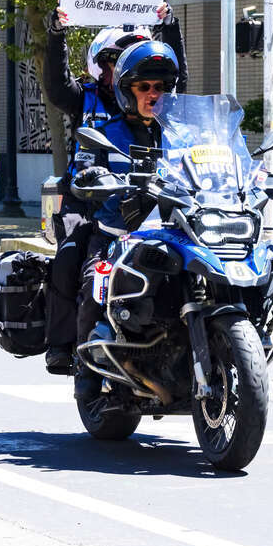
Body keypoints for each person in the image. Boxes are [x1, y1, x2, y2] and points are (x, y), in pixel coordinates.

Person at [43, 2, 187, 374]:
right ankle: (66, 345)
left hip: (153, 202)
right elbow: (56, 86)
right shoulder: (85, 97)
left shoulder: (164, 113)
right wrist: (56, 32)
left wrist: (169, 25)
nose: (119, 65)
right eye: (113, 60)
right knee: (70, 257)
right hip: (88, 197)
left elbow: (178, 82)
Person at [73, 39, 179, 398]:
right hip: (117, 238)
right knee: (94, 287)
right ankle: (85, 377)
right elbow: (81, 174)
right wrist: (96, 181)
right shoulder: (104, 133)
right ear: (126, 91)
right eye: (144, 86)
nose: (154, 94)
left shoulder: (179, 135)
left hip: (174, 237)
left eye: (160, 87)